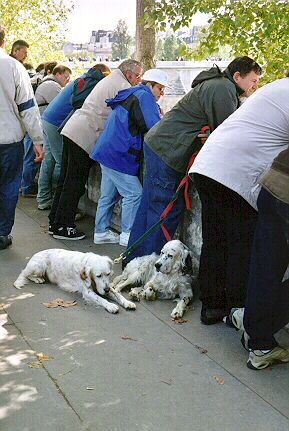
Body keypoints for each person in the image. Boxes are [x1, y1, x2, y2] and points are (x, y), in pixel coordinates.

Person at [125, 56, 262, 264]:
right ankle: (150, 269)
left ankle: (133, 262)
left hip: (159, 145)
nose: (256, 85)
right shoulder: (223, 88)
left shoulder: (217, 84)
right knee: (165, 211)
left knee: (150, 207)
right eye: (253, 80)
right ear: (237, 76)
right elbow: (230, 134)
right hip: (169, 151)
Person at [189, 76, 289, 326]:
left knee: (215, 239)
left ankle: (212, 306)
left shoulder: (277, 87)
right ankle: (237, 308)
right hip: (235, 173)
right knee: (242, 242)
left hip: (208, 164)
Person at [48, 59, 143, 241]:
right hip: (85, 133)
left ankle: (56, 221)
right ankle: (64, 226)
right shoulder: (123, 85)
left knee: (65, 180)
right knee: (74, 182)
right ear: (129, 73)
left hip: (74, 128)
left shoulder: (111, 79)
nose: (139, 80)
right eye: (138, 75)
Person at [90, 69, 168, 247]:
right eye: (160, 89)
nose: (162, 94)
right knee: (134, 194)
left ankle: (100, 232)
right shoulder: (144, 96)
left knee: (108, 195)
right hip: (119, 153)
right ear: (150, 85)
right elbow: (155, 128)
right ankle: (128, 234)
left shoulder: (133, 93)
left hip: (107, 150)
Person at [235, 148, 289, 370]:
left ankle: (258, 338)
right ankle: (259, 328)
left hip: (273, 185)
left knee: (265, 268)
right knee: (267, 267)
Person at [36, 63, 111, 210]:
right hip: (56, 122)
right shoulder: (92, 83)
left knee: (49, 160)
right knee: (62, 164)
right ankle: (60, 204)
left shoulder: (82, 80)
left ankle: (44, 198)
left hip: (48, 119)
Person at [0, 27, 43, 250]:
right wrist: (37, 139)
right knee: (8, 186)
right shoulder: (14, 67)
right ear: (4, 41)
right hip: (8, 139)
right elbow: (28, 106)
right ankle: (2, 233)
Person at [21, 61, 60, 198]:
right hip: (37, 123)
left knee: (28, 156)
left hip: (30, 122)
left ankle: (24, 186)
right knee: (32, 157)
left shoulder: (39, 81)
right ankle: (27, 187)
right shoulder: (51, 85)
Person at [35, 64, 72, 208]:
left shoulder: (47, 83)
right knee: (61, 161)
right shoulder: (52, 85)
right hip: (53, 124)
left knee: (49, 160)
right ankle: (57, 201)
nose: (67, 80)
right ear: (57, 74)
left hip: (45, 121)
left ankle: (43, 199)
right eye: (66, 76)